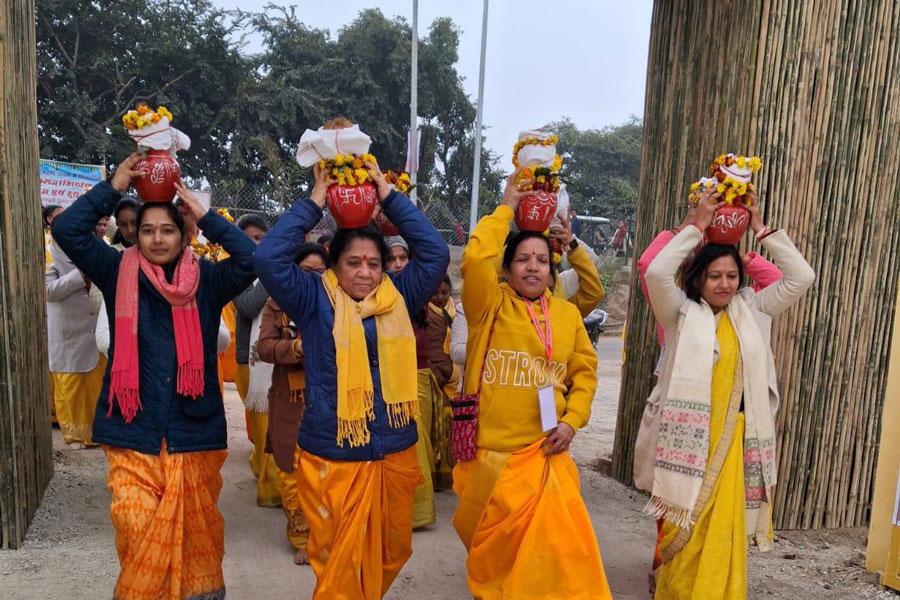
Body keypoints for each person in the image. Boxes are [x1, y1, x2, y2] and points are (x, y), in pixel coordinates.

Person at [51, 153, 257, 600]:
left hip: (192, 431)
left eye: (167, 230)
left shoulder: (208, 280)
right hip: (132, 428)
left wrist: (207, 217)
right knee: (135, 521)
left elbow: (252, 258)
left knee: (195, 529)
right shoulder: (115, 270)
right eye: (147, 230)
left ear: (184, 235)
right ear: (134, 235)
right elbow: (67, 231)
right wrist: (116, 183)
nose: (157, 239)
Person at [254, 154, 449, 599]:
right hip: (333, 451)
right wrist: (315, 201)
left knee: (392, 550)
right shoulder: (310, 296)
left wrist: (387, 195)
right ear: (333, 264)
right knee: (337, 557)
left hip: (394, 446)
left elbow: (435, 252)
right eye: (353, 263)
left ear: (385, 268)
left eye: (373, 263)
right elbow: (267, 257)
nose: (364, 272)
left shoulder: (399, 295)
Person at [638, 192, 815, 600]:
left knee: (724, 538)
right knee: (684, 535)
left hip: (733, 449)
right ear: (698, 278)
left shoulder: (753, 309)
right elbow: (656, 273)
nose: (724, 283)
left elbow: (801, 277)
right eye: (714, 275)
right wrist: (696, 228)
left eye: (731, 275)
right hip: (689, 452)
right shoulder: (679, 313)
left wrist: (757, 230)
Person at [453, 171, 612, 599]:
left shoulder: (564, 315)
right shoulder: (489, 304)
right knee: (494, 561)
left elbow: (585, 376)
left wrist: (573, 421)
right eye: (522, 259)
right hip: (490, 457)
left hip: (545, 454)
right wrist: (506, 207)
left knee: (555, 556)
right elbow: (474, 260)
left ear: (552, 268)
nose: (533, 267)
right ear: (506, 269)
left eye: (542, 260)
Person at [256, 242, 328, 566]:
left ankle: (326, 536)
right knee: (292, 471)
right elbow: (265, 347)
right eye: (306, 272)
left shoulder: (336, 302)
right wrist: (298, 348)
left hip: (327, 395)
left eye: (320, 272)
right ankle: (301, 538)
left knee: (325, 472)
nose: (313, 278)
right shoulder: (277, 302)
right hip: (290, 398)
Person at [46, 214, 107, 447]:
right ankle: (75, 435)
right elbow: (48, 291)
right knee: (71, 385)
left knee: (95, 385)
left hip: (93, 329)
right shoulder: (50, 254)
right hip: (67, 329)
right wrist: (80, 276)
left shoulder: (93, 250)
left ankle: (95, 434)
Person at [233, 213, 282, 507]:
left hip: (278, 355)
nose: (257, 243)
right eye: (251, 238)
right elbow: (249, 307)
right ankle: (267, 480)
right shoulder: (239, 271)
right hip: (248, 359)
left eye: (262, 238)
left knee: (273, 421)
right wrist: (269, 273)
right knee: (260, 420)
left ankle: (268, 472)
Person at [425, 274, 456, 490]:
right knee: (436, 427)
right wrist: (439, 372)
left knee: (451, 426)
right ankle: (435, 476)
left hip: (453, 375)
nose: (440, 297)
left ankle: (450, 474)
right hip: (434, 374)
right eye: (435, 293)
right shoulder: (424, 313)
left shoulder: (456, 311)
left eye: (444, 293)